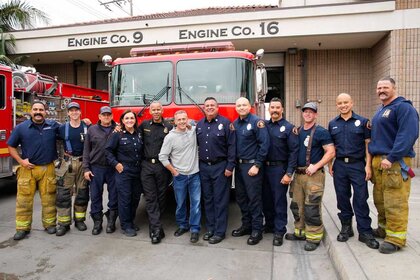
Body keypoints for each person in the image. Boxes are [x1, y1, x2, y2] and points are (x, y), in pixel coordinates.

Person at [369, 77, 419, 254]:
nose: (381, 90)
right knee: (380, 199)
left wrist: (391, 157)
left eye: (385, 87)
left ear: (394, 88)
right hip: (379, 162)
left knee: (395, 201)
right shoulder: (382, 110)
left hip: (394, 163)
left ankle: (396, 238)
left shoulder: (403, 107)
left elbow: (408, 135)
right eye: (379, 87)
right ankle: (384, 229)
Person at [328, 93, 379, 249]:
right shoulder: (333, 124)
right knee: (342, 197)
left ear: (352, 103)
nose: (343, 105)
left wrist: (368, 165)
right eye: (340, 103)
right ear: (336, 105)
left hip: (358, 165)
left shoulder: (362, 122)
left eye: (346, 102)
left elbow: (367, 145)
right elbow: (330, 146)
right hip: (340, 165)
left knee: (361, 198)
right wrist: (330, 164)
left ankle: (364, 231)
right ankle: (346, 227)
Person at [285, 102, 335, 251]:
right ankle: (300, 232)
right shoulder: (297, 131)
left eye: (311, 112)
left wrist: (317, 165)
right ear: (302, 113)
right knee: (296, 205)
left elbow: (331, 152)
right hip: (298, 175)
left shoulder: (321, 132)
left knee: (312, 207)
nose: (308, 114)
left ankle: (313, 238)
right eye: (305, 111)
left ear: (316, 115)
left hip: (313, 176)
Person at [8, 101, 59, 240]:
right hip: (27, 168)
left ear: (45, 112)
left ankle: (49, 225)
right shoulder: (21, 128)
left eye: (41, 110)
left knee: (49, 199)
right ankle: (22, 228)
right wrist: (20, 161)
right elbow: (11, 146)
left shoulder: (53, 126)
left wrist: (84, 123)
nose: (38, 112)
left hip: (47, 168)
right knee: (23, 200)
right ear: (31, 111)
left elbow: (68, 131)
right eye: (35, 109)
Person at [197, 97, 236, 244]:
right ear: (204, 108)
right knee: (207, 199)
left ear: (217, 107)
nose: (209, 107)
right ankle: (210, 229)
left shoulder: (225, 123)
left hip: (221, 167)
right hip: (204, 167)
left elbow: (232, 146)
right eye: (207, 105)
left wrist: (230, 166)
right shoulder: (199, 124)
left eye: (212, 105)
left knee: (220, 200)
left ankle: (220, 232)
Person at [159, 110, 201, 243]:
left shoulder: (193, 131)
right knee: (180, 203)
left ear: (188, 120)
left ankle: (194, 229)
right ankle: (182, 225)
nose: (182, 122)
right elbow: (162, 156)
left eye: (184, 119)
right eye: (179, 120)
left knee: (196, 204)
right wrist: (173, 171)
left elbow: (203, 126)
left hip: (194, 175)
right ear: (175, 122)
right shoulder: (170, 137)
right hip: (180, 176)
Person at [232, 97, 269, 245]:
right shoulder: (235, 124)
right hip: (239, 167)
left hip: (252, 166)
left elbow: (264, 145)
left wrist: (258, 164)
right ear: (236, 108)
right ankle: (246, 225)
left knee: (254, 199)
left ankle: (257, 230)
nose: (241, 107)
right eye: (239, 105)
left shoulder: (257, 122)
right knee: (241, 198)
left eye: (244, 105)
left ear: (249, 106)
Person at [262, 98, 298, 246]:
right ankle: (270, 225)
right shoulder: (263, 125)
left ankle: (279, 230)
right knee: (267, 199)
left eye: (278, 107)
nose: (275, 110)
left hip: (279, 169)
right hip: (264, 168)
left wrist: (289, 173)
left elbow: (294, 152)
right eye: (272, 107)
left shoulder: (289, 128)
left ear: (282, 109)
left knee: (279, 201)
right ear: (269, 110)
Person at [139, 101, 173, 244]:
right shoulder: (144, 125)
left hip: (162, 166)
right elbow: (131, 134)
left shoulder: (169, 127)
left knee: (161, 197)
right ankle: (156, 230)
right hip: (147, 165)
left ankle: (155, 226)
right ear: (150, 112)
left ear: (162, 111)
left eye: (159, 109)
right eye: (154, 109)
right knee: (150, 197)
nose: (156, 112)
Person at [105, 110, 142, 237]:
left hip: (137, 171)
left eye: (132, 118)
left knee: (135, 198)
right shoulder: (117, 134)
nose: (130, 120)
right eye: (127, 118)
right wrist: (116, 164)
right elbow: (108, 151)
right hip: (124, 171)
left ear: (135, 120)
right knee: (125, 199)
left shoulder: (139, 134)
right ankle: (125, 225)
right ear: (122, 121)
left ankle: (131, 221)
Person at [55, 102, 90, 236]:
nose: (74, 113)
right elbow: (52, 141)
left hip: (84, 162)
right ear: (68, 113)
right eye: (71, 111)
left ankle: (79, 220)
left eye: (77, 110)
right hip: (67, 163)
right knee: (63, 194)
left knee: (82, 193)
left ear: (80, 112)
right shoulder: (62, 128)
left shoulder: (87, 126)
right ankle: (64, 223)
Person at [83, 106, 118, 235]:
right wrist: (86, 168)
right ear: (99, 117)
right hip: (96, 168)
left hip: (113, 168)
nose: (106, 117)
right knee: (96, 196)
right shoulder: (92, 130)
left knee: (114, 196)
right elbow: (86, 150)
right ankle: (97, 222)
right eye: (104, 115)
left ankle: (111, 220)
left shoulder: (118, 129)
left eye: (109, 114)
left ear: (112, 116)